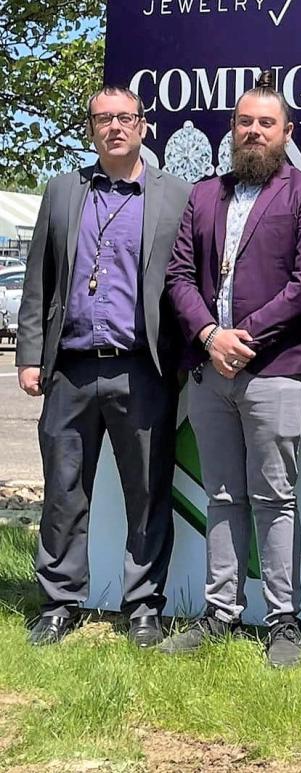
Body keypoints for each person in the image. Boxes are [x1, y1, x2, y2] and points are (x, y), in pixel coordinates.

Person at [161, 72, 301, 668]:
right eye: (245, 122)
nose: (254, 131)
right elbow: (179, 277)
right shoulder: (204, 195)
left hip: (276, 370)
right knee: (222, 495)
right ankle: (220, 613)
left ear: (287, 133)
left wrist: (247, 336)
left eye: (267, 123)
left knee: (275, 497)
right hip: (212, 371)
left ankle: (284, 621)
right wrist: (211, 336)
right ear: (231, 130)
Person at [16, 85, 191, 647]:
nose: (115, 127)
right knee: (64, 491)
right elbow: (39, 279)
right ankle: (60, 602)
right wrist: (27, 354)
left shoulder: (176, 195)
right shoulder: (64, 191)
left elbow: (186, 285)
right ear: (90, 129)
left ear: (144, 126)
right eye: (103, 119)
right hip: (69, 370)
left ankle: (143, 606)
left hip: (142, 369)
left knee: (147, 491)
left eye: (125, 118)